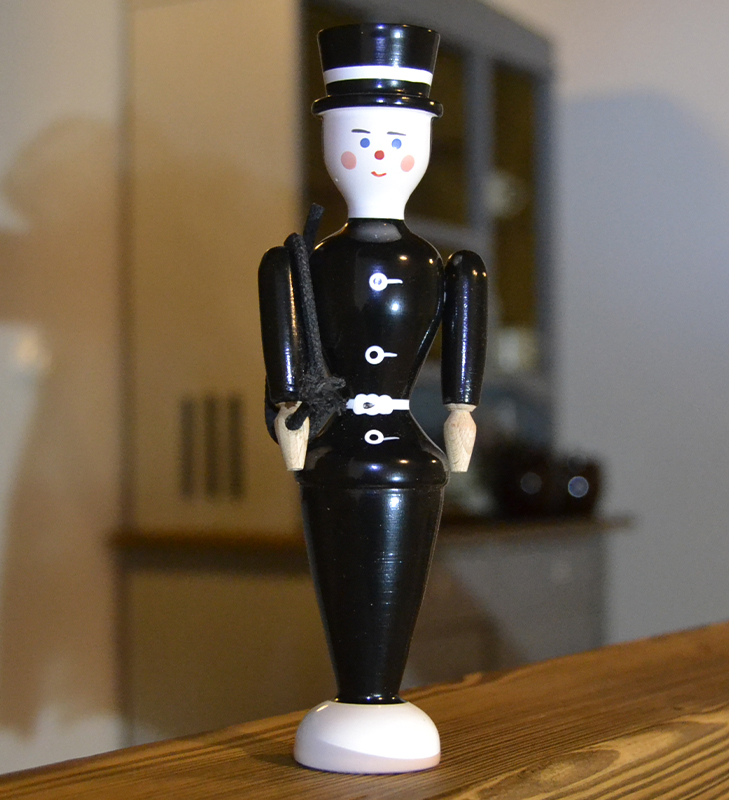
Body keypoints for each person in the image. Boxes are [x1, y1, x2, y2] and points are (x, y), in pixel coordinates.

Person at [258, 22, 487, 774]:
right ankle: (362, 695)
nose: (380, 155)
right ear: (330, 142)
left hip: (403, 448)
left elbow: (465, 339)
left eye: (396, 140)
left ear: (421, 145)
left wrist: (460, 410)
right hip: (339, 450)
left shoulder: (441, 265)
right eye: (361, 139)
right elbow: (286, 335)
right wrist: (289, 410)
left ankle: (377, 695)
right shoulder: (307, 261)